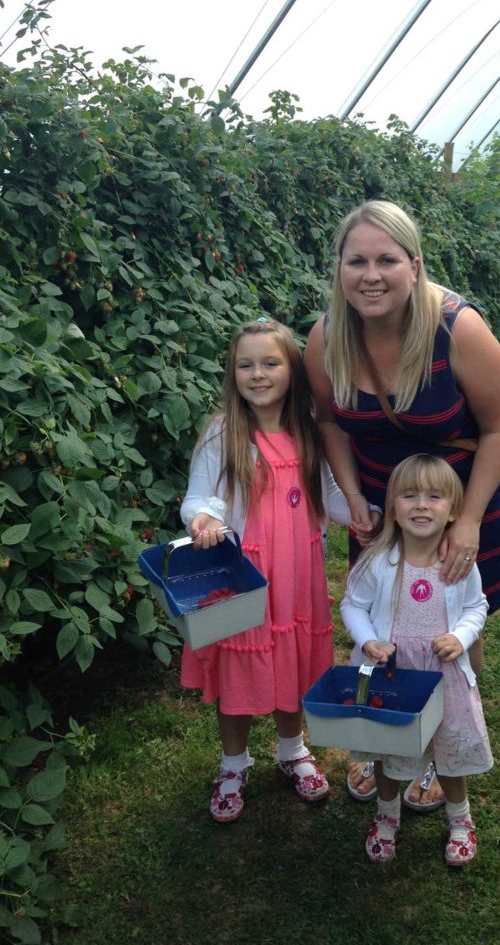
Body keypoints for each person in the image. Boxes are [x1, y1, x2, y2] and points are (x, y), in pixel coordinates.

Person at [305, 199, 500, 811]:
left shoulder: (458, 329)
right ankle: (387, 738)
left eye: (386, 260)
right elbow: (328, 420)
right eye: (357, 261)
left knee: (453, 617)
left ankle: (447, 742)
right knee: (386, 618)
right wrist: (352, 497)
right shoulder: (328, 336)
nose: (370, 275)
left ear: (415, 265)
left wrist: (471, 521)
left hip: (457, 496)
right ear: (339, 269)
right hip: (382, 505)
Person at [180, 317, 358, 822]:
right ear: (232, 373)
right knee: (239, 672)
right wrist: (204, 517)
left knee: (295, 665)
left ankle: (291, 750)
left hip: (298, 576)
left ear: (292, 370)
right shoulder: (223, 431)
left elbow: (330, 500)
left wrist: (366, 514)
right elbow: (197, 493)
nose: (257, 374)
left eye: (270, 363)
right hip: (243, 581)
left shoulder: (308, 431)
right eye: (245, 365)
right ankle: (233, 764)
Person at [340, 455, 491, 865]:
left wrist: (459, 638)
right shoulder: (378, 561)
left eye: (434, 497)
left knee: (447, 753)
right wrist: (369, 639)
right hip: (395, 676)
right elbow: (352, 605)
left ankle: (460, 820)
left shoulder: (459, 564)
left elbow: (477, 608)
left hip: (444, 678)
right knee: (391, 751)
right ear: (393, 508)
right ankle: (387, 818)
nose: (421, 505)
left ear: (453, 510)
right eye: (409, 496)